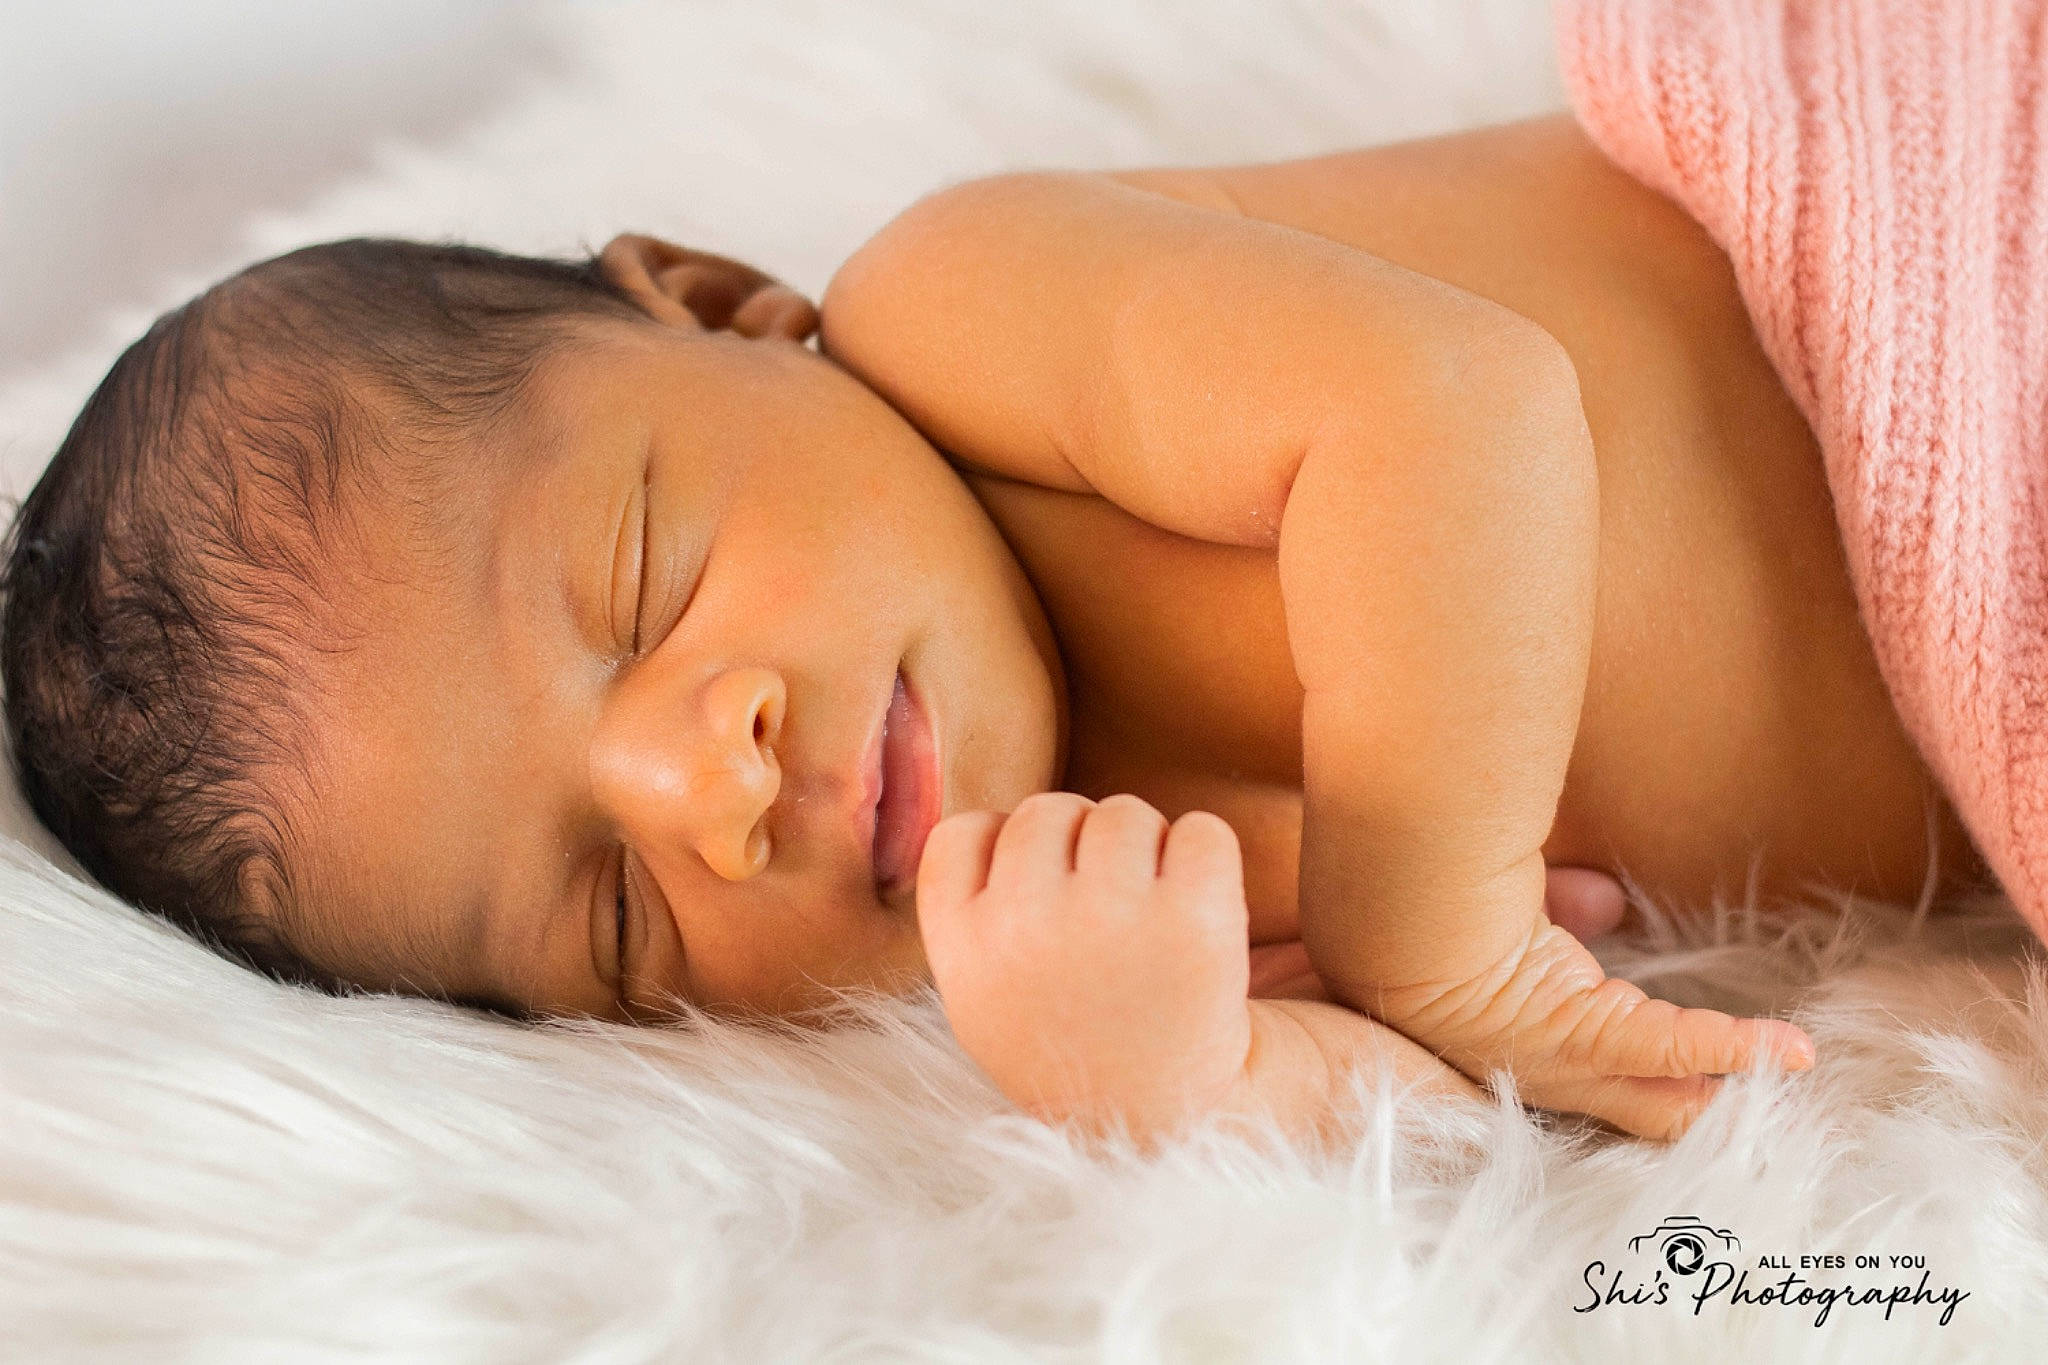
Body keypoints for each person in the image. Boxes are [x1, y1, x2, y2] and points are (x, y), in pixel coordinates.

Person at [0, 110, 1989, 1151]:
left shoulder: (965, 310)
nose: (710, 792)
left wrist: (1437, 935)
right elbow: (1476, 1114)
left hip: (1924, 281)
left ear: (725, 306)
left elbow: (1459, 411)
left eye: (638, 584)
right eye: (611, 914)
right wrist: (1191, 1072)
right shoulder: (1081, 899)